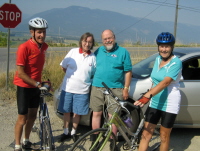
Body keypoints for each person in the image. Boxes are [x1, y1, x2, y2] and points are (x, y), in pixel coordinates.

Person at [134, 32, 182, 151]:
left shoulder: (176, 62)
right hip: (155, 100)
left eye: (167, 46)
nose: (164, 49)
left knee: (164, 136)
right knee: (146, 134)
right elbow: (155, 80)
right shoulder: (157, 59)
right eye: (161, 46)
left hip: (170, 103)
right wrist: (149, 93)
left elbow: (165, 82)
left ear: (172, 47)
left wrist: (147, 95)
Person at [90, 29, 132, 150]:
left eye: (110, 38)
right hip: (97, 86)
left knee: (112, 116)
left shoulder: (123, 52)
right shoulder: (98, 51)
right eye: (105, 39)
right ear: (102, 40)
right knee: (96, 113)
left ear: (114, 37)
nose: (108, 40)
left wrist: (126, 88)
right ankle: (95, 140)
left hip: (115, 88)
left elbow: (128, 71)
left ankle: (112, 141)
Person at [13, 17, 48, 151]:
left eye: (44, 32)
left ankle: (26, 140)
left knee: (33, 115)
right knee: (22, 118)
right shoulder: (24, 47)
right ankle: (17, 146)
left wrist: (41, 82)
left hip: (36, 86)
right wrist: (37, 84)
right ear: (31, 32)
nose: (42, 35)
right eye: (39, 32)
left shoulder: (44, 46)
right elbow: (21, 73)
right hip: (24, 86)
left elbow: (36, 68)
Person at [57, 32, 96, 143]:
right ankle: (65, 132)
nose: (87, 44)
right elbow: (63, 67)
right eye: (85, 41)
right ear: (81, 41)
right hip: (68, 89)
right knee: (66, 111)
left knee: (77, 113)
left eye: (89, 42)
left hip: (83, 91)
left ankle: (73, 132)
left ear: (92, 44)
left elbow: (93, 73)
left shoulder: (93, 57)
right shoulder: (73, 52)